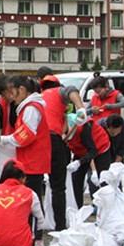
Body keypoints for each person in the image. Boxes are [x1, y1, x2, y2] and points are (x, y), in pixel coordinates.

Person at [38, 74, 84, 231]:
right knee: (58, 187)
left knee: (35, 185)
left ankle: (37, 231)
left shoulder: (38, 97)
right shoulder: (58, 91)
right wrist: (81, 108)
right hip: (52, 139)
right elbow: (72, 90)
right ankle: (60, 227)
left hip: (36, 141)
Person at [0, 75, 50, 206]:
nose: (12, 97)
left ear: (21, 89)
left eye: (12, 92)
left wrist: (3, 140)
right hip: (30, 160)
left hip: (32, 161)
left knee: (31, 200)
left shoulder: (31, 108)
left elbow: (25, 136)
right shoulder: (28, 107)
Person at [66, 116, 111, 207]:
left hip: (99, 149)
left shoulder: (84, 128)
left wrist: (79, 163)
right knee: (75, 179)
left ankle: (101, 207)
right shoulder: (62, 129)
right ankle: (77, 207)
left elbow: (92, 151)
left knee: (99, 180)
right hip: (80, 150)